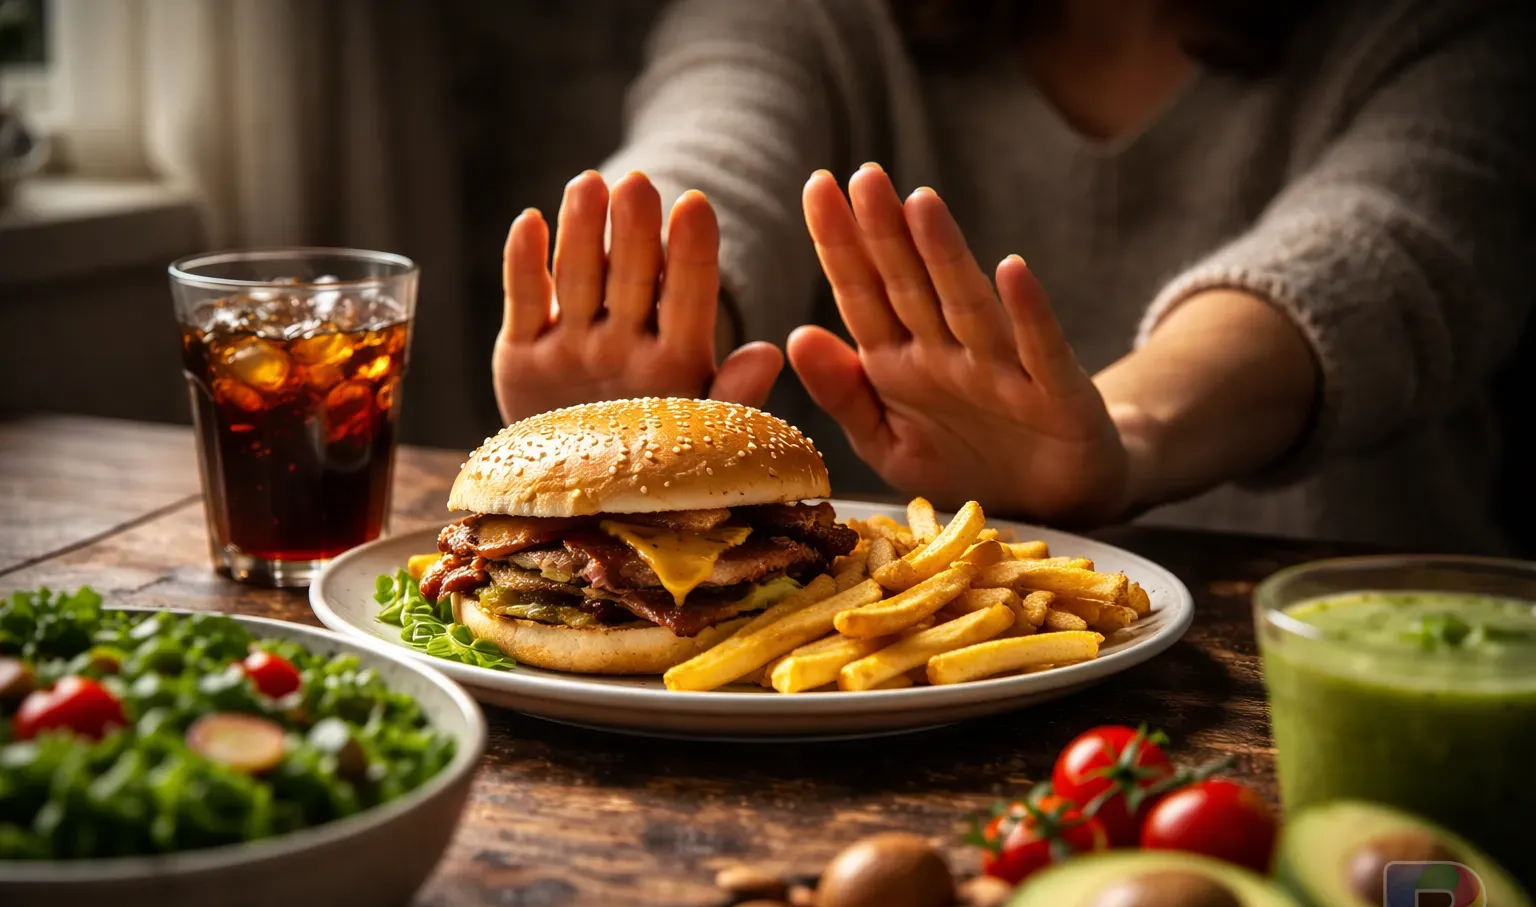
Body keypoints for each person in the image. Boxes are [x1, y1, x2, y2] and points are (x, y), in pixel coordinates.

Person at [490, 0, 1536, 553]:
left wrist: (1123, 437)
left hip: (1353, 685)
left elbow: (1386, 252)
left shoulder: (1454, 26)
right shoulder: (817, 14)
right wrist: (638, 321)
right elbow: (714, 135)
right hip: (898, 727)